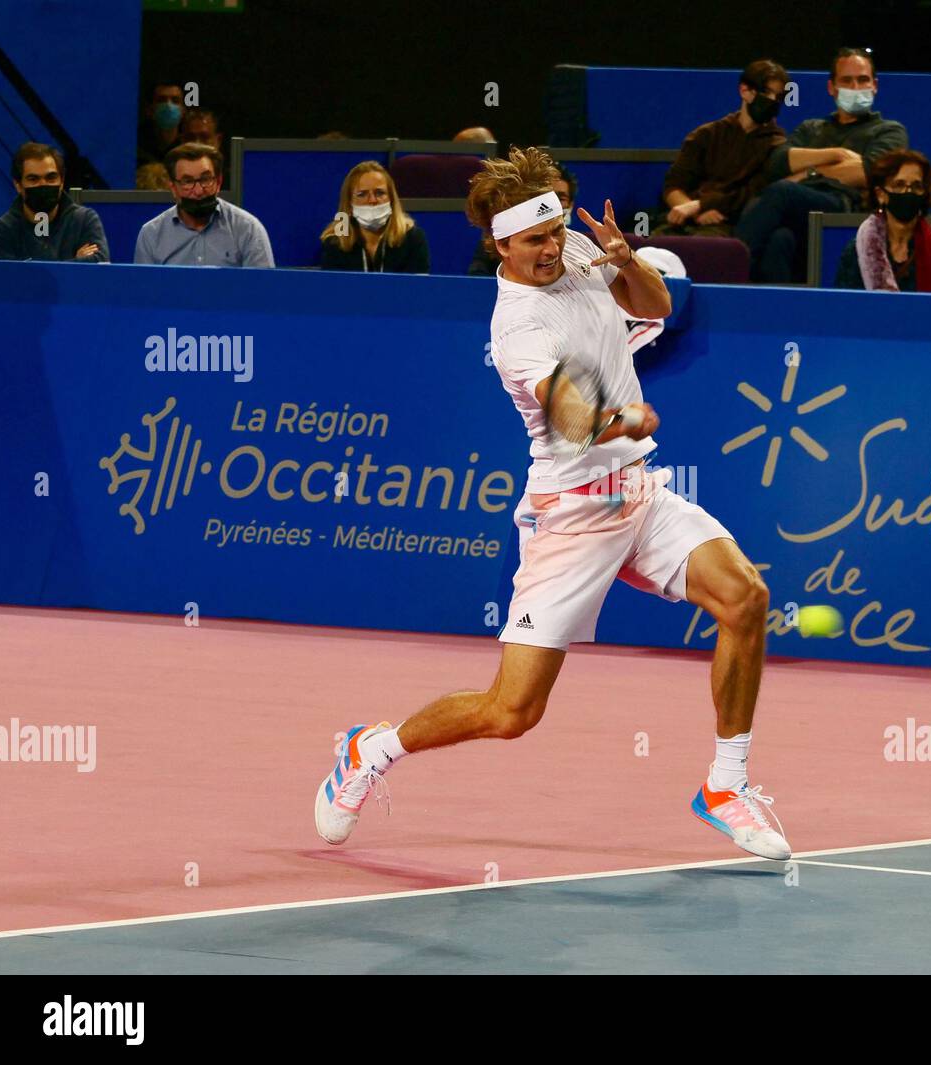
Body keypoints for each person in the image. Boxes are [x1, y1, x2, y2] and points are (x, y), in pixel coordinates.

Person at [313, 147, 790, 861]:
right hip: (570, 515)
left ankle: (725, 787)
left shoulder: (572, 245)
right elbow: (570, 415)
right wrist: (623, 419)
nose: (550, 248)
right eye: (533, 240)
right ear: (497, 242)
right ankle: (372, 748)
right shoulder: (517, 329)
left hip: (639, 493)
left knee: (745, 597)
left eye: (555, 230)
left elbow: (658, 305)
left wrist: (626, 260)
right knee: (511, 712)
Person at [736, 47, 908, 282]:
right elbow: (778, 163)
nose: (856, 88)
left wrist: (806, 172)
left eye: (863, 80)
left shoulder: (889, 131)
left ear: (875, 85)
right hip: (800, 212)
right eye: (847, 80)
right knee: (779, 239)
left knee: (781, 192)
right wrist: (837, 155)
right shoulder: (811, 128)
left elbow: (867, 173)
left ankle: (726, 271)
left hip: (846, 208)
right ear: (832, 88)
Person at [653, 59, 788, 237]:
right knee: (652, 246)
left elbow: (751, 194)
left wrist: (701, 206)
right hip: (687, 219)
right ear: (744, 91)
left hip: (730, 224)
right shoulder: (707, 135)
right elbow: (673, 185)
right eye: (766, 92)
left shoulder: (776, 146)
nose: (772, 101)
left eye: (778, 97)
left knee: (705, 244)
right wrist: (694, 212)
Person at [834, 149, 931, 292]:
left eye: (916, 186)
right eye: (899, 185)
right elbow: (845, 307)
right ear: (880, 194)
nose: (907, 192)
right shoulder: (857, 250)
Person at [134, 143, 274, 267]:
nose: (199, 191)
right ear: (173, 188)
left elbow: (262, 290)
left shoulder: (248, 229)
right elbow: (144, 293)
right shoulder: (151, 235)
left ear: (218, 182)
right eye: (187, 182)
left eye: (205, 179)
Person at [0, 143, 108, 262]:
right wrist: (75, 264)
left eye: (50, 178)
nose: (43, 184)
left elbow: (99, 262)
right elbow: (7, 277)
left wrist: (27, 268)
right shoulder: (1, 231)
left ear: (62, 181)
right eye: (33, 179)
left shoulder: (85, 220)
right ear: (18, 185)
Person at [468, 161, 576, 275]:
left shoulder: (584, 243)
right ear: (503, 246)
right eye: (535, 240)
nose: (554, 250)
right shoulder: (493, 247)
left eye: (557, 232)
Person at [319, 161, 429, 273]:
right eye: (362, 194)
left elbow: (418, 288)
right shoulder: (335, 242)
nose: (372, 200)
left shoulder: (412, 239)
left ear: (391, 199)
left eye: (379, 193)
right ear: (349, 204)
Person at [136, 80, 185, 169]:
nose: (169, 105)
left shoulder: (187, 148)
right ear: (149, 110)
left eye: (175, 100)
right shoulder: (135, 148)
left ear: (183, 111)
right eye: (162, 100)